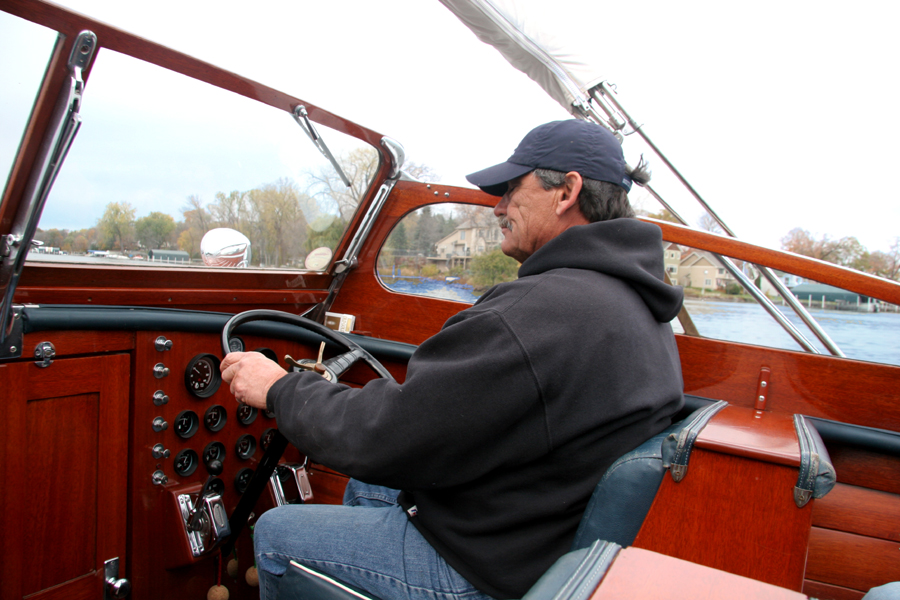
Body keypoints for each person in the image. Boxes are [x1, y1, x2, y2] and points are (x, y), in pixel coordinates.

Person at [221, 119, 685, 600]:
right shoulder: (635, 304)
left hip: (487, 569)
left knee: (277, 534)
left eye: (510, 190)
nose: (498, 207)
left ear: (567, 190)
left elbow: (387, 436)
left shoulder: (541, 313)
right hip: (537, 537)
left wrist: (280, 388)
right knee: (367, 484)